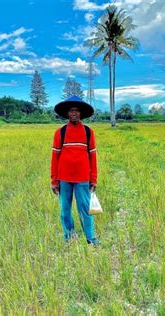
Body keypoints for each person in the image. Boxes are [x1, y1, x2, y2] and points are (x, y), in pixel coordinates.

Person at [50, 95, 99, 246]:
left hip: (83, 179)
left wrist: (94, 179)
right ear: (67, 114)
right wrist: (54, 180)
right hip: (64, 179)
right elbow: (55, 157)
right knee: (65, 210)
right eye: (71, 111)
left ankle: (90, 238)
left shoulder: (88, 132)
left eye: (77, 111)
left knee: (85, 210)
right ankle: (69, 237)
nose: (74, 113)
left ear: (81, 113)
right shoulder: (60, 132)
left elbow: (93, 157)